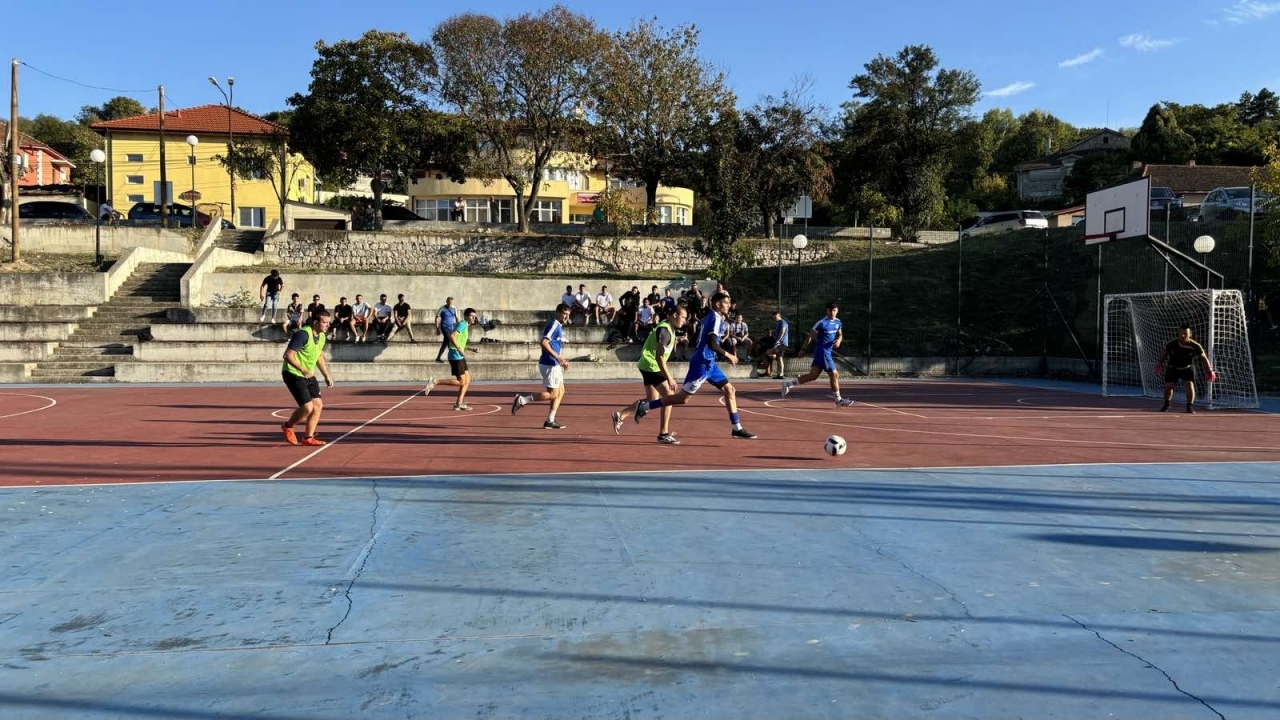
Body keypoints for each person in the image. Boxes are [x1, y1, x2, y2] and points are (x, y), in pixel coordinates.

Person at [631, 291, 756, 439]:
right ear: (717, 304)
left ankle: (737, 428)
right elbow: (712, 343)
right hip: (702, 364)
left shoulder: (709, 317)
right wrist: (729, 355)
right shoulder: (715, 318)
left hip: (709, 362)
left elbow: (700, 338)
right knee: (682, 398)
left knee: (730, 389)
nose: (729, 305)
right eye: (726, 303)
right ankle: (645, 406)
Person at [612, 304, 688, 444]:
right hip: (652, 365)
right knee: (669, 396)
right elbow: (659, 357)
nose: (684, 320)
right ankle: (663, 434)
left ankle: (621, 415)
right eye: (683, 317)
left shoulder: (668, 327)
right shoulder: (665, 330)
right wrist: (669, 378)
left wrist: (677, 340)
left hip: (647, 364)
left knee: (652, 398)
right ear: (675, 315)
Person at [783, 302, 856, 407]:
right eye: (830, 310)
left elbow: (840, 335)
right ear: (827, 310)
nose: (832, 312)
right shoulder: (821, 323)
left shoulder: (838, 322)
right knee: (834, 374)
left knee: (813, 376)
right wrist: (803, 349)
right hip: (822, 351)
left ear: (837, 311)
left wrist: (839, 340)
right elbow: (810, 337)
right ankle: (838, 400)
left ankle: (788, 384)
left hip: (826, 351)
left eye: (834, 310)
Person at [511, 303, 572, 430]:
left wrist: (561, 360)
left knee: (561, 391)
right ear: (558, 313)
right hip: (549, 363)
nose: (566, 316)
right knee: (553, 394)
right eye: (564, 314)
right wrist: (558, 357)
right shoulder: (554, 325)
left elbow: (554, 344)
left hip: (554, 363)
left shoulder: (559, 327)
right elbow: (544, 342)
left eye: (568, 314)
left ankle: (550, 420)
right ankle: (522, 400)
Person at [280, 309, 334, 447]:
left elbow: (319, 356)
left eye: (329, 322)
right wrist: (302, 369)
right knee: (307, 407)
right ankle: (288, 426)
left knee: (318, 405)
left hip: (308, 374)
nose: (328, 325)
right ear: (315, 322)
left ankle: (308, 438)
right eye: (325, 322)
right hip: (293, 373)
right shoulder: (302, 334)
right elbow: (287, 355)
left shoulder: (322, 336)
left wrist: (326, 375)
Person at [1157, 326, 1217, 413]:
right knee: (1169, 386)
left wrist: (1209, 371)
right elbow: (1164, 354)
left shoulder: (1195, 346)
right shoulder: (1171, 344)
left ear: (1190, 334)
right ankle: (1167, 404)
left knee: (1189, 385)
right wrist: (1159, 364)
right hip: (1173, 367)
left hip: (1187, 368)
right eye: (1181, 333)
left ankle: (1189, 407)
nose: (1182, 335)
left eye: (1185, 333)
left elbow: (1204, 358)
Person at [434, 307, 479, 410]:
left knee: (467, 380)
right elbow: (452, 337)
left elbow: (460, 342)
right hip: (455, 355)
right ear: (466, 316)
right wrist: (459, 349)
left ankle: (459, 403)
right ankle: (436, 381)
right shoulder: (462, 324)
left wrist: (471, 349)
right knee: (462, 381)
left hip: (459, 355)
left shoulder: (465, 325)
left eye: (474, 316)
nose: (474, 318)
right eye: (472, 316)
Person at [765, 311, 790, 379]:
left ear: (779, 316)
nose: (774, 318)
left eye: (775, 317)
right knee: (779, 358)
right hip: (779, 343)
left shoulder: (783, 322)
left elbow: (782, 332)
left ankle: (780, 373)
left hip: (781, 343)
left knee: (769, 352)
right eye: (773, 317)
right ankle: (780, 374)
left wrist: (778, 340)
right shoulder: (778, 323)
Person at [434, 296, 459, 363]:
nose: (450, 304)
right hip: (444, 327)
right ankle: (454, 356)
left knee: (446, 342)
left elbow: (456, 317)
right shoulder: (442, 308)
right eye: (449, 302)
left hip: (452, 327)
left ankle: (438, 357)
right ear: (446, 302)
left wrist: (457, 326)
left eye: (451, 302)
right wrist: (437, 328)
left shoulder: (454, 308)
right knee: (449, 339)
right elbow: (436, 318)